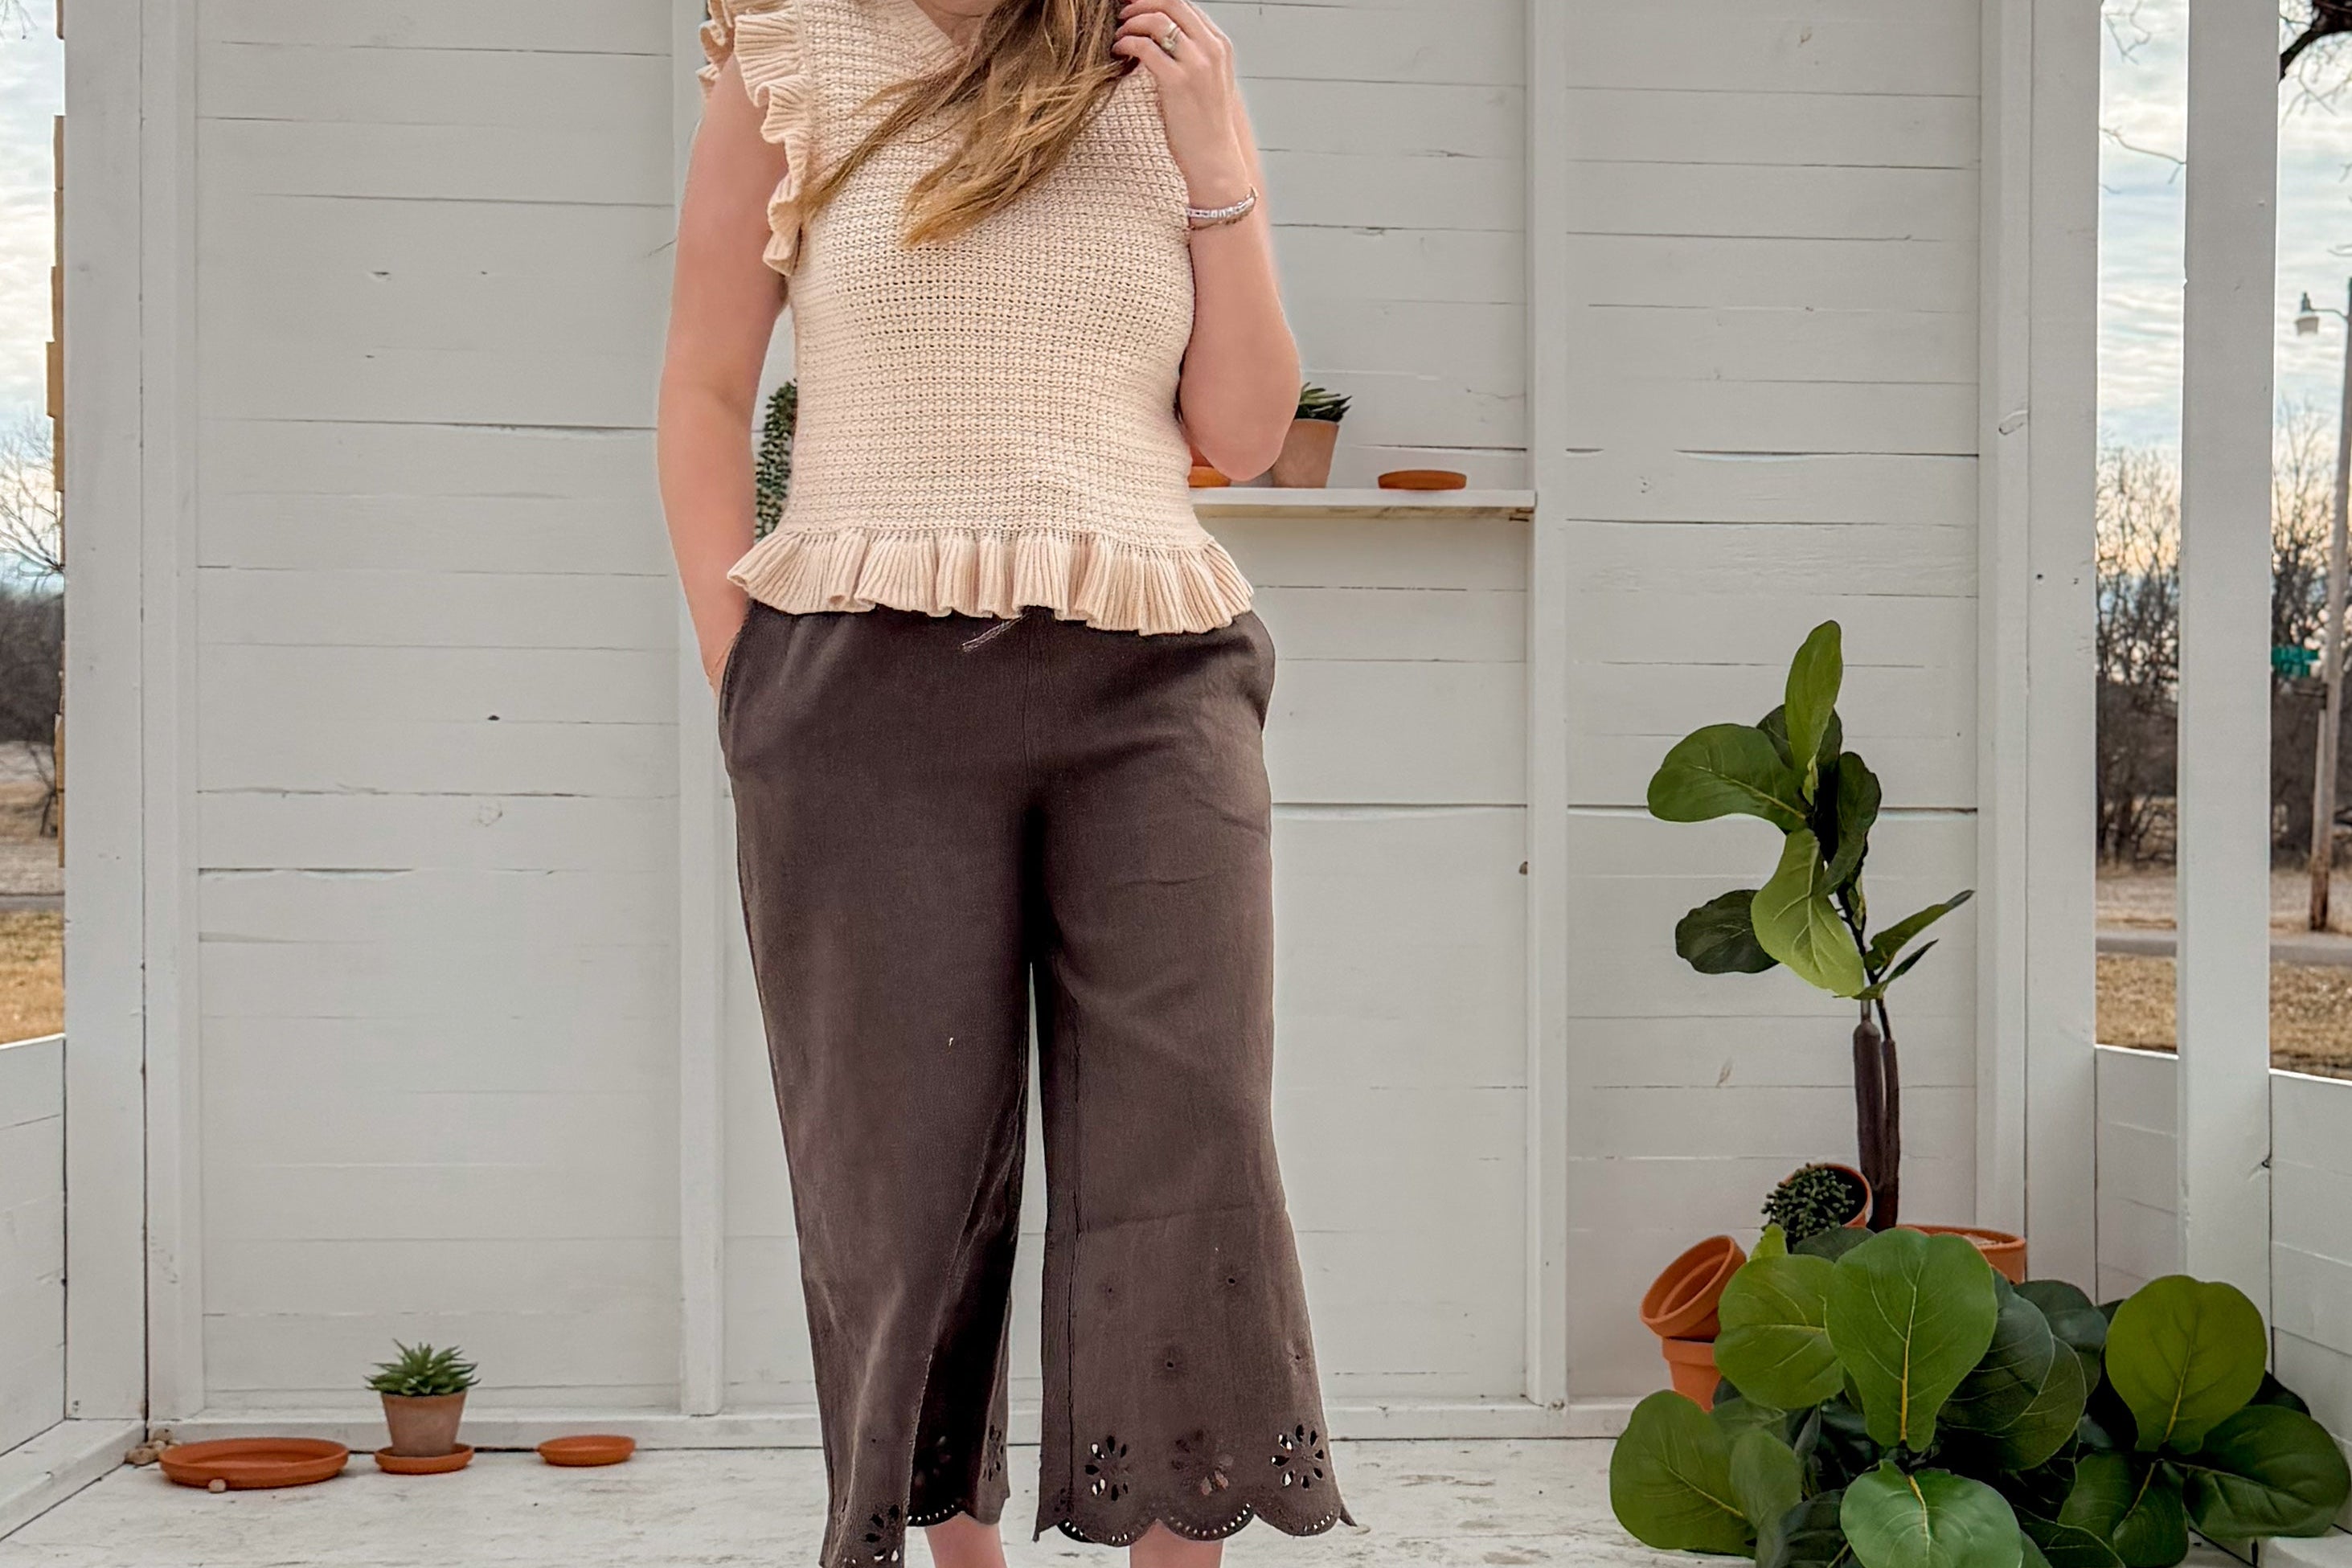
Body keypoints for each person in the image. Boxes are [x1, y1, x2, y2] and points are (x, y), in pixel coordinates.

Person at [656, 0, 1351, 1563]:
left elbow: (1237, 432)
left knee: (1190, 1148)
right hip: (858, 690)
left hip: (1155, 678)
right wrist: (740, 662)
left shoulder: (1153, 63)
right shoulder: (788, 53)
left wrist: (1215, 157)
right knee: (899, 1166)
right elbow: (704, 385)